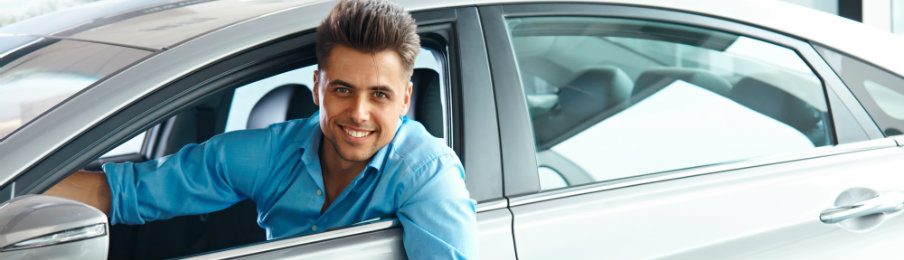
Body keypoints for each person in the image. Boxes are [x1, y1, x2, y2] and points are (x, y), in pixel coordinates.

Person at [44, 0, 477, 259]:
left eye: (380, 95)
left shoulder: (426, 174)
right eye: (343, 89)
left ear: (405, 100)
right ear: (317, 87)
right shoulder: (271, 153)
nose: (358, 113)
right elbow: (121, 193)